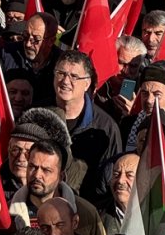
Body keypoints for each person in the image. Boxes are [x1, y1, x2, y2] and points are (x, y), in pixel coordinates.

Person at [51, 51, 120, 204]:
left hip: (86, 209)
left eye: (74, 76)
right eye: (61, 73)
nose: (65, 81)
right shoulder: (39, 115)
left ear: (87, 83)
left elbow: (110, 179)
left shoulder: (106, 127)